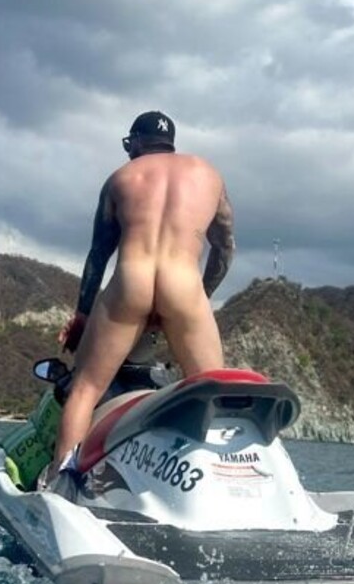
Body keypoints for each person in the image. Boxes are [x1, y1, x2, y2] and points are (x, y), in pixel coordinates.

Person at [44, 110, 235, 480]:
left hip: (132, 280)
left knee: (85, 390)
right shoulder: (209, 175)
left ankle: (61, 481)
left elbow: (98, 255)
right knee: (212, 390)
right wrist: (198, 297)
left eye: (129, 143)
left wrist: (82, 315)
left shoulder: (121, 177)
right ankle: (216, 480)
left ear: (135, 141)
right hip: (184, 282)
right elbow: (225, 248)